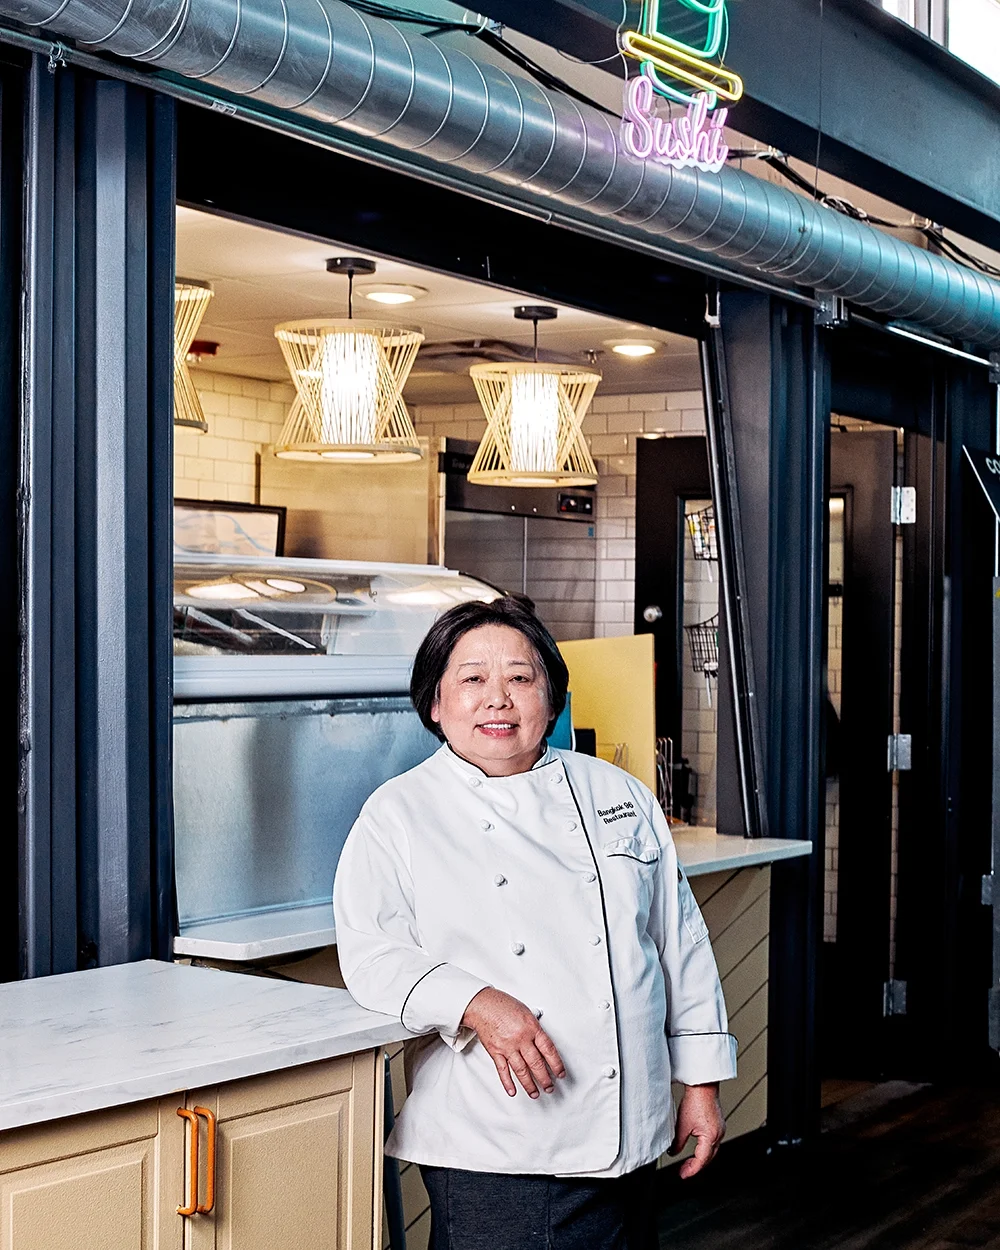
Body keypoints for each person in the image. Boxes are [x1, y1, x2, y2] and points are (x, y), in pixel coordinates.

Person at [334, 596, 736, 1250]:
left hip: (632, 1130)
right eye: (472, 679)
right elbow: (372, 956)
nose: (498, 699)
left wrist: (701, 1083)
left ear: (552, 700)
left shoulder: (617, 793)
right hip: (501, 1144)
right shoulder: (399, 813)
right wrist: (477, 1002)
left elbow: (678, 946)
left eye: (520, 678)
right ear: (434, 703)